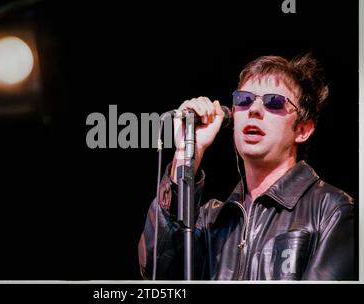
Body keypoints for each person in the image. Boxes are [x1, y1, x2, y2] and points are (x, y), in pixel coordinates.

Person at [138, 54, 356, 280]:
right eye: (244, 99)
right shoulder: (209, 219)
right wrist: (186, 152)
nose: (254, 109)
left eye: (274, 101)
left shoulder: (332, 210)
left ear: (302, 130)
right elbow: (158, 270)